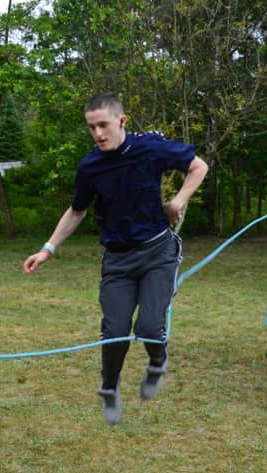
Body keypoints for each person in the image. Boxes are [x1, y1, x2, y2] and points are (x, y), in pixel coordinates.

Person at [23, 93, 208, 425]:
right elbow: (76, 210)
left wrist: (179, 200)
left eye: (103, 125)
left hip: (157, 253)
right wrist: (47, 248)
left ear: (122, 121)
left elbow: (198, 166)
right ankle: (109, 389)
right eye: (91, 127)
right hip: (118, 261)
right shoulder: (90, 166)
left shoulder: (150, 148)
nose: (97, 134)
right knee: (115, 330)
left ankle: (157, 361)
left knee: (150, 326)